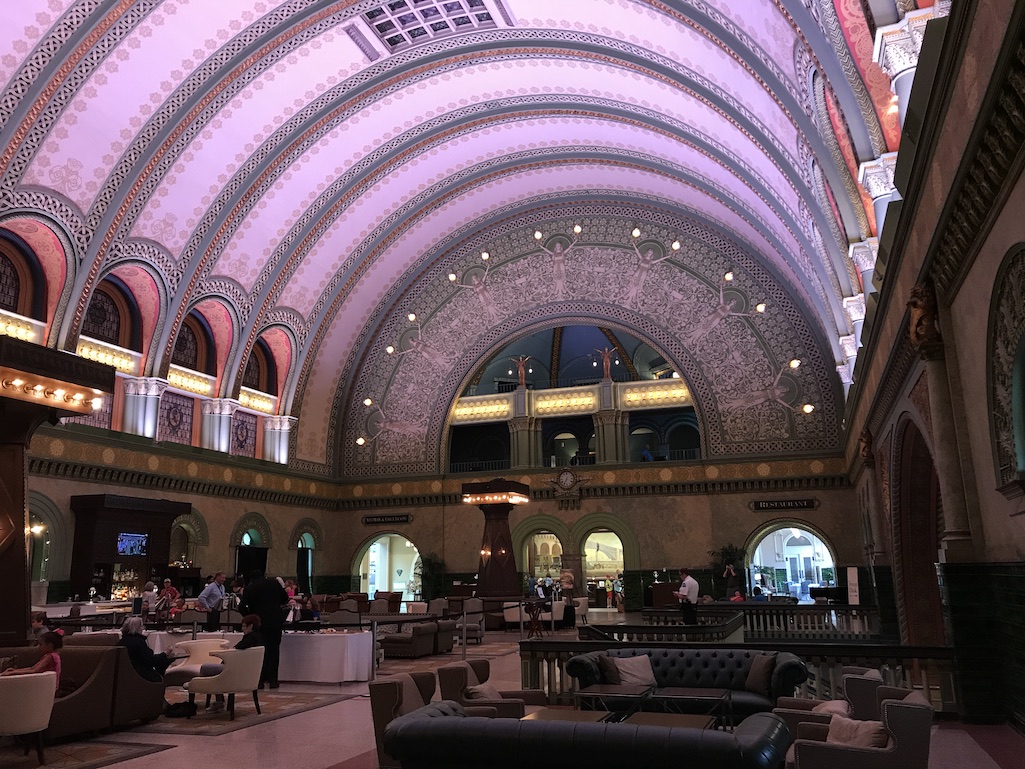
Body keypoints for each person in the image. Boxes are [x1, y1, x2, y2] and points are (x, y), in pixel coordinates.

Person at [198, 614, 264, 712]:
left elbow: (236, 650)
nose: (242, 629)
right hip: (248, 672)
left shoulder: (249, 639)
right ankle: (219, 698)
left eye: (243, 626)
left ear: (250, 626)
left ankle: (217, 698)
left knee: (206, 668)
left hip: (235, 670)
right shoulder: (258, 638)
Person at [240, 570, 288, 689]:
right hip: (275, 620)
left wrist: (250, 616)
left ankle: (259, 680)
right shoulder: (274, 583)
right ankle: (273, 680)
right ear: (264, 575)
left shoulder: (250, 588)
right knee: (274, 649)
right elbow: (285, 598)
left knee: (260, 650)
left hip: (259, 621)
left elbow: (241, 606)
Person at [119, 616, 170, 682]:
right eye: (142, 626)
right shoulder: (139, 643)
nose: (144, 628)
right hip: (141, 676)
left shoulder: (120, 642)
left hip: (125, 676)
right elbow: (152, 661)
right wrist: (165, 653)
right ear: (137, 628)